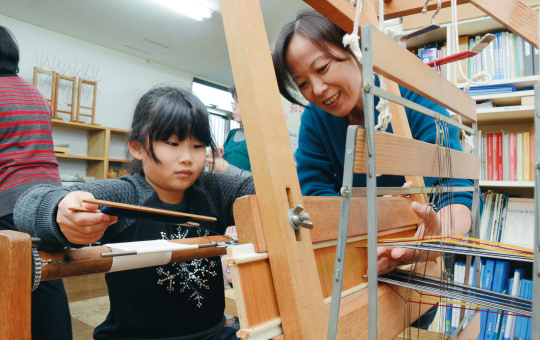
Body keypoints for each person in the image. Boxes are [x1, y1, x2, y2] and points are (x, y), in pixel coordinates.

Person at [272, 10, 476, 327]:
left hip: (415, 275)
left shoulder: (410, 92)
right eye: (303, 84)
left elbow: (455, 195)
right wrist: (382, 212)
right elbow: (316, 199)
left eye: (322, 68)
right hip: (353, 271)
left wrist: (433, 238)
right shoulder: (315, 120)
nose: (318, 89)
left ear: (355, 48)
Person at [14, 87, 254, 340]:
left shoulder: (213, 190)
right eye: (172, 143)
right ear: (137, 147)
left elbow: (263, 192)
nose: (187, 158)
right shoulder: (127, 194)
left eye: (197, 146)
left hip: (212, 333)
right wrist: (58, 210)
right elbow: (28, 204)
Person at [0, 25, 73, 339]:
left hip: (8, 202)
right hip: (49, 203)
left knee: (13, 278)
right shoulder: (36, 94)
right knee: (46, 279)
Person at [206, 85, 252, 177]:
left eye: (237, 103)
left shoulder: (261, 138)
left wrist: (225, 168)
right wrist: (219, 159)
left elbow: (261, 180)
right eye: (233, 103)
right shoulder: (232, 133)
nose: (233, 107)